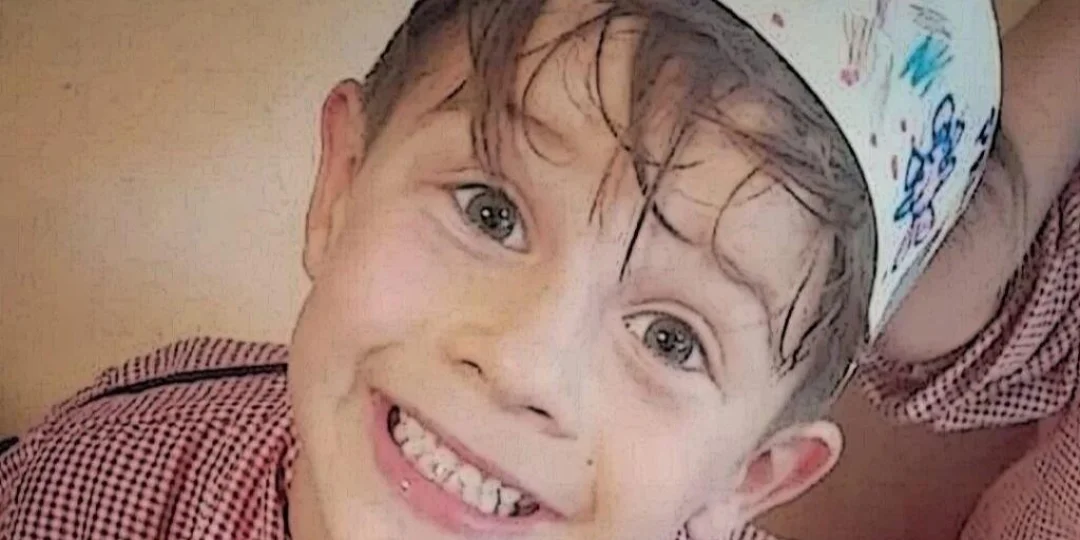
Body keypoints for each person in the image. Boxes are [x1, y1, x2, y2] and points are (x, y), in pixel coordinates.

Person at [0, 2, 1071, 540]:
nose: (523, 363)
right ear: (342, 186)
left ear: (747, 480)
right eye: (491, 211)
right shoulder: (96, 474)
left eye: (671, 338)